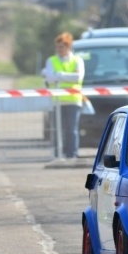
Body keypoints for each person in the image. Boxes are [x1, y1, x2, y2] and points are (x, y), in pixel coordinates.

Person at [41, 32, 84, 160]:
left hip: (73, 101)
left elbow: (78, 78)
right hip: (57, 101)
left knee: (72, 130)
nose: (59, 50)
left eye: (61, 47)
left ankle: (72, 155)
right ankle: (57, 155)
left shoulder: (77, 60)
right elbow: (49, 78)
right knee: (57, 131)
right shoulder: (51, 60)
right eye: (57, 47)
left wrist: (59, 75)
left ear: (69, 47)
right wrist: (67, 76)